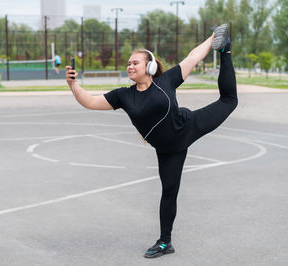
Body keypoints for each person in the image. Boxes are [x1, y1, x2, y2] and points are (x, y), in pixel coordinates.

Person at [65, 24, 237, 259]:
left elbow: (192, 57)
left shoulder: (165, 81)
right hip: (168, 151)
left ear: (150, 66)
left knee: (229, 101)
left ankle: (226, 50)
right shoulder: (124, 96)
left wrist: (214, 38)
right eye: (128, 63)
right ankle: (165, 243)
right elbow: (90, 102)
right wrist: (73, 85)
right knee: (169, 191)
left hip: (189, 126)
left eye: (135, 62)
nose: (130, 66)